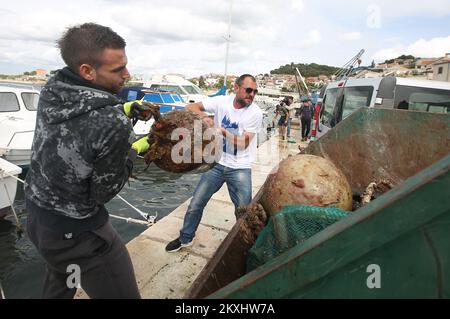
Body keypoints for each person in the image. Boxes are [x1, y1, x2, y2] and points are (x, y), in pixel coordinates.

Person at [24, 23, 154, 299]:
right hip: (79, 235)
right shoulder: (112, 122)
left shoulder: (53, 87)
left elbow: (82, 109)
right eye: (118, 70)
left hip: (39, 220)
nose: (127, 75)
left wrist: (125, 107)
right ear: (87, 70)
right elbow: (103, 193)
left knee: (61, 282)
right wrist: (135, 149)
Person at [165, 74, 263, 252]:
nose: (252, 94)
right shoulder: (221, 102)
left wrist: (222, 131)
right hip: (216, 164)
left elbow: (243, 144)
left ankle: (248, 246)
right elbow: (191, 106)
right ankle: (185, 237)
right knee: (196, 203)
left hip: (240, 168)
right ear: (236, 88)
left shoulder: (255, 112)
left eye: (255, 91)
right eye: (249, 90)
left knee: (244, 211)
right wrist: (204, 117)